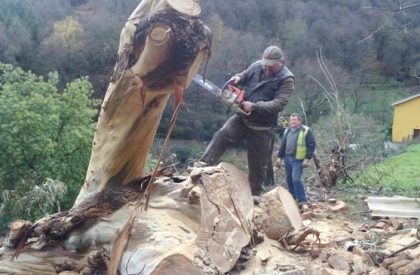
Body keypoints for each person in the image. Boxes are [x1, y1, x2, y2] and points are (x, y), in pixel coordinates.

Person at [198, 45, 295, 198]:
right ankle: (202, 165)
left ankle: (255, 193)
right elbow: (244, 75)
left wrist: (255, 107)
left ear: (280, 62)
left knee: (257, 162)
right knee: (223, 134)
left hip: (263, 126)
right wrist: (238, 78)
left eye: (271, 67)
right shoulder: (257, 66)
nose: (267, 69)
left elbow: (279, 103)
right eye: (265, 65)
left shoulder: (286, 79)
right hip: (243, 117)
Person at [276, 113, 316, 209]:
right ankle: (292, 197)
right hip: (287, 158)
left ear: (299, 121)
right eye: (291, 120)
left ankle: (302, 200)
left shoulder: (306, 130)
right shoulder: (287, 130)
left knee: (296, 179)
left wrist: (307, 159)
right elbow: (283, 145)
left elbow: (312, 145)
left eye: (294, 120)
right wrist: (279, 157)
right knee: (289, 179)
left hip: (298, 159)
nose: (292, 122)